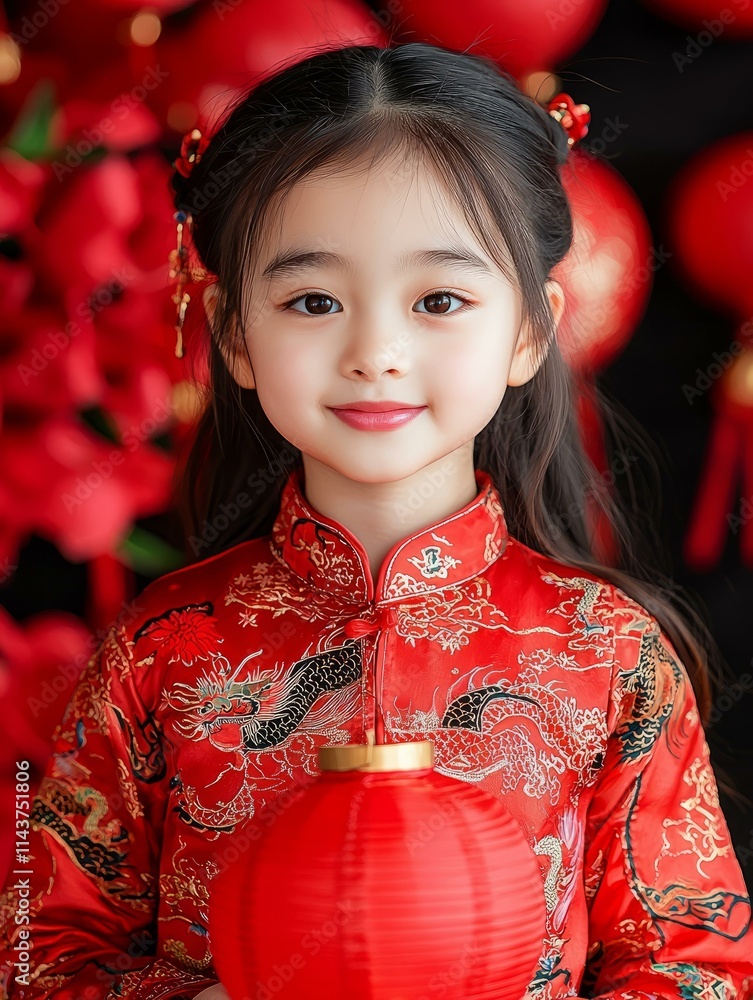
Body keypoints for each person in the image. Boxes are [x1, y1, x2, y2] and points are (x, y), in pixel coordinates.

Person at [1, 40, 752, 1000]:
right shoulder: (162, 652)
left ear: (530, 327)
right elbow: (35, 953)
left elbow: (698, 964)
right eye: (313, 300)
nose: (376, 352)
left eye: (439, 299)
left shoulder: (605, 653)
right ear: (233, 334)